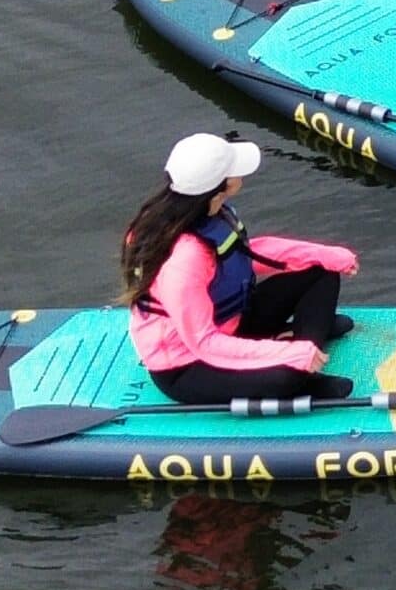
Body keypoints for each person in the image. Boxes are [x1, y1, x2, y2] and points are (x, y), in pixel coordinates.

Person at [122, 133, 361, 402]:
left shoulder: (205, 210)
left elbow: (244, 254)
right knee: (285, 377)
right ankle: (302, 367)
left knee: (322, 271)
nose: (240, 173)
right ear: (219, 187)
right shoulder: (184, 260)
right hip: (188, 364)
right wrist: (288, 354)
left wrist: (323, 254)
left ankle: (302, 344)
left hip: (231, 321)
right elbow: (204, 343)